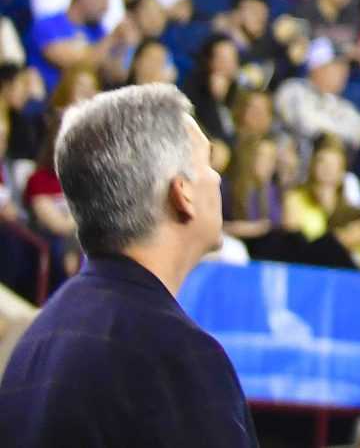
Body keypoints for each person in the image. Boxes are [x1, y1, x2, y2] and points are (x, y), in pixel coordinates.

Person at [0, 84, 252, 447]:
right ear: (182, 193)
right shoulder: (178, 355)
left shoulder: (38, 339)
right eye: (208, 163)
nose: (217, 179)